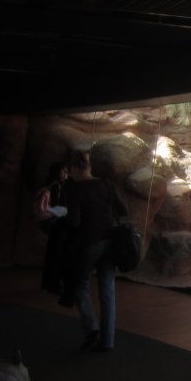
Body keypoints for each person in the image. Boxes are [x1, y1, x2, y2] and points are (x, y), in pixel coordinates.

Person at [63, 150, 127, 352]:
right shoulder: (106, 184)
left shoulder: (75, 189)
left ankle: (92, 328)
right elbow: (123, 210)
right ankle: (108, 340)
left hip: (88, 243)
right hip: (110, 240)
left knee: (79, 285)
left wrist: (60, 216)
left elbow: (74, 221)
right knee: (107, 290)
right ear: (89, 166)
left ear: (74, 168)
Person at [39, 162, 69, 294]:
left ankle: (48, 283)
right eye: (64, 171)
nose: (66, 174)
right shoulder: (57, 186)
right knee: (57, 254)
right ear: (58, 172)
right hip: (57, 224)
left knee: (52, 253)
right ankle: (55, 284)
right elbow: (58, 206)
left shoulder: (49, 184)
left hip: (50, 223)